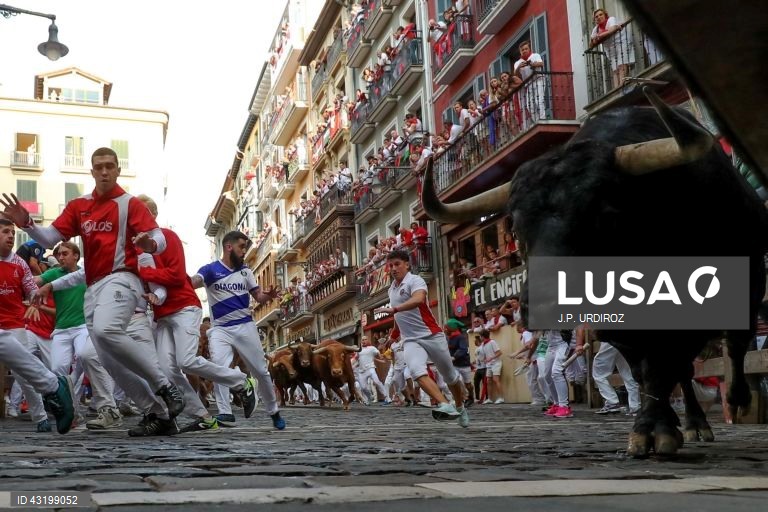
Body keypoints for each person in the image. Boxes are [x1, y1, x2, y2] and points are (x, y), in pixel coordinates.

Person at [1, 147, 185, 436]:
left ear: (117, 170)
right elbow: (50, 237)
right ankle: (158, 413)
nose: (104, 171)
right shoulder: (79, 206)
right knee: (106, 359)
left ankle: (165, 386)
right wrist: (27, 223)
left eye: (109, 166)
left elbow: (158, 237)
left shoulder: (130, 204)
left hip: (122, 278)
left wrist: (151, 244)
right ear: (91, 171)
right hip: (94, 285)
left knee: (105, 331)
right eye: (98, 166)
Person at [136, 195, 257, 433]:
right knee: (166, 369)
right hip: (162, 315)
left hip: (184, 308)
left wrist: (146, 273)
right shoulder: (135, 245)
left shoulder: (167, 237)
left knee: (186, 360)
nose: (136, 216)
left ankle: (242, 381)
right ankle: (202, 414)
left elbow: (175, 276)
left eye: (142, 211)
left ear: (153, 215)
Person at [192, 230, 286, 430]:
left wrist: (268, 296)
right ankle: (225, 412)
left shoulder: (246, 272)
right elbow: (196, 281)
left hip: (245, 326)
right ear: (229, 247)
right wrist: (184, 283)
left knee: (261, 371)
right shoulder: (210, 270)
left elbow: (258, 296)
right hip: (220, 329)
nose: (244, 251)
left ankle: (273, 411)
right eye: (242, 247)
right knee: (219, 368)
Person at [36, 241, 123, 430]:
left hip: (83, 326)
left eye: (65, 253)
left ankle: (107, 407)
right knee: (58, 369)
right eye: (58, 254)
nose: (60, 257)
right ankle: (74, 413)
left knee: (84, 358)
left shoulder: (87, 273)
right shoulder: (54, 273)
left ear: (76, 256)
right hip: (61, 329)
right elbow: (36, 281)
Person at [377, 250, 468, 427]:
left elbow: (419, 300)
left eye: (397, 264)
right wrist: (393, 336)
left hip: (431, 335)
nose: (394, 268)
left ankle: (460, 407)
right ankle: (444, 404)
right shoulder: (391, 290)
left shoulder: (415, 280)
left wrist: (395, 310)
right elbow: (399, 318)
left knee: (450, 377)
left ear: (406, 264)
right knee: (416, 371)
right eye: (391, 265)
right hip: (410, 339)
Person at [0, 218, 75, 434]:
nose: (11, 236)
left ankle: (41, 417)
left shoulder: (20, 264)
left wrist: (35, 302)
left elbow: (32, 288)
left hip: (14, 324)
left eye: (12, 232)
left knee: (23, 373)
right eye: (5, 232)